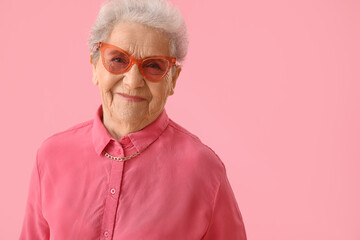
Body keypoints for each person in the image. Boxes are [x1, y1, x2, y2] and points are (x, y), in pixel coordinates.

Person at [19, 0, 247, 239]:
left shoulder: (204, 170)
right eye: (118, 60)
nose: (132, 81)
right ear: (95, 67)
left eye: (153, 66)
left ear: (173, 80)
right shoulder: (51, 157)